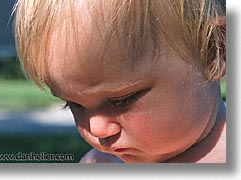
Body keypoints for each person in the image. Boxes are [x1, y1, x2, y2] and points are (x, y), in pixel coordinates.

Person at [14, 0, 226, 163]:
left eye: (121, 100)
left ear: (213, 53)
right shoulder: (97, 164)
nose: (96, 129)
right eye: (75, 104)